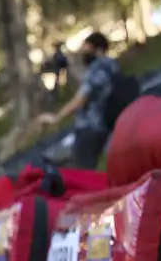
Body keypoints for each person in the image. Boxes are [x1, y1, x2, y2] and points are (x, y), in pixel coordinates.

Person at [37, 31, 119, 170]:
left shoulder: (97, 68)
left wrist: (56, 117)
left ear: (98, 49)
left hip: (91, 128)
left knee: (81, 174)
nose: (83, 53)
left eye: (87, 49)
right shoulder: (112, 65)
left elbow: (81, 98)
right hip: (106, 124)